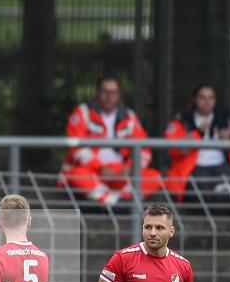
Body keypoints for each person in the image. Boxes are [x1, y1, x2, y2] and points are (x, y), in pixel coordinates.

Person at [57, 75, 161, 206]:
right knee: (77, 174)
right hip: (93, 171)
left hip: (123, 173)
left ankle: (111, 200)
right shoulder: (82, 113)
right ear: (97, 93)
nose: (109, 96)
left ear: (119, 95)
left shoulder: (129, 116)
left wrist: (130, 167)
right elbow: (76, 148)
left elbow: (144, 150)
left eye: (113, 92)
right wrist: (100, 168)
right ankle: (121, 202)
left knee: (154, 176)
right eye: (105, 92)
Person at [164, 83, 230, 202]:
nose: (207, 101)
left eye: (211, 98)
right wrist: (197, 134)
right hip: (194, 168)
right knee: (202, 192)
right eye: (202, 97)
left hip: (222, 166)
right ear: (195, 100)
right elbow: (173, 149)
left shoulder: (225, 120)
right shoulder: (182, 120)